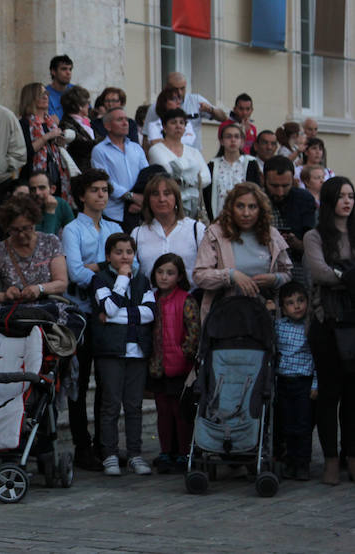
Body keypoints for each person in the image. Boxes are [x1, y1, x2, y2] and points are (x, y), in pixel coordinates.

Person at [61, 169, 126, 469]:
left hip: (111, 314)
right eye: (95, 190)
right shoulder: (73, 229)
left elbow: (129, 263)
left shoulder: (115, 226)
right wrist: (109, 270)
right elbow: (75, 272)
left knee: (107, 382)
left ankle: (105, 443)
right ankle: (81, 445)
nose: (101, 195)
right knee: (78, 379)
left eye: (105, 190)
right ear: (82, 195)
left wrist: (98, 266)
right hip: (82, 313)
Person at [302, 177, 355, 485]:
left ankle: (352, 455)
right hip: (327, 322)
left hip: (354, 321)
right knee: (329, 394)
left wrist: (341, 274)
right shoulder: (315, 235)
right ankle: (331, 459)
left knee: (353, 396)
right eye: (341, 196)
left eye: (351, 196)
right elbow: (320, 272)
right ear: (330, 200)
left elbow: (332, 273)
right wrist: (348, 275)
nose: (347, 201)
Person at [91, 233, 156, 476]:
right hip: (110, 351)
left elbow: (150, 313)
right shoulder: (99, 279)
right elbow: (107, 306)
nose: (125, 257)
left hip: (137, 351)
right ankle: (109, 454)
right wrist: (120, 280)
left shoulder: (143, 280)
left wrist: (116, 317)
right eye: (119, 252)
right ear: (108, 256)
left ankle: (135, 453)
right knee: (110, 404)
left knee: (134, 405)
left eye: (129, 252)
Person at [192, 182, 292, 320]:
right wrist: (231, 275)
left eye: (252, 207)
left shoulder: (272, 235)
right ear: (231, 208)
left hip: (262, 315)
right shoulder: (215, 234)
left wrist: (275, 279)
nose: (246, 213)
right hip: (225, 317)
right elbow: (199, 275)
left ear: (261, 209)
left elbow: (287, 273)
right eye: (240, 206)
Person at [0, 195, 68, 316]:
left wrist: (40, 289)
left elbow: (62, 283)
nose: (21, 235)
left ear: (34, 223)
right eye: (15, 230)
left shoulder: (50, 242)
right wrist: (4, 296)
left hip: (48, 311)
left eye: (26, 228)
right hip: (15, 314)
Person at [147, 253, 199, 474]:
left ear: (179, 276)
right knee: (163, 411)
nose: (164, 277)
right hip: (157, 366)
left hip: (181, 368)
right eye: (160, 272)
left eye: (170, 273)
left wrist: (184, 353)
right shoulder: (151, 299)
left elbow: (193, 332)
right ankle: (166, 451)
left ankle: (184, 452)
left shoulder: (186, 299)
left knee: (181, 412)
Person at [274, 280, 317, 481]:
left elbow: (317, 359)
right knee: (286, 424)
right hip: (283, 382)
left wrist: (315, 384)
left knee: (303, 424)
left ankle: (302, 463)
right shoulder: (278, 326)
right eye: (290, 303)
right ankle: (288, 461)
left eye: (300, 301)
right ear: (283, 308)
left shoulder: (311, 327)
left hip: (304, 383)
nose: (297, 306)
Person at [130, 175, 205, 287]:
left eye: (167, 193)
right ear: (148, 200)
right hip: (149, 301)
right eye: (155, 194)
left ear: (176, 198)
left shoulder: (196, 229)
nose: (161, 199)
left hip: (189, 300)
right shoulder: (137, 234)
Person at [146, 108, 210, 218]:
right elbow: (169, 173)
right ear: (164, 127)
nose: (178, 126)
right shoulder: (156, 150)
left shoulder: (193, 151)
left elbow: (206, 178)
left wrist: (182, 180)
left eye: (182, 122)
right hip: (168, 206)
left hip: (193, 207)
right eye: (173, 122)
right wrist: (193, 174)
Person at [141, 72, 226, 151]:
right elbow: (146, 139)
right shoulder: (155, 109)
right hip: (166, 158)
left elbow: (223, 118)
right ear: (167, 88)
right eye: (175, 89)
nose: (179, 93)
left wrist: (211, 110)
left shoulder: (196, 101)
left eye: (182, 88)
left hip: (193, 156)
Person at [91, 107, 149, 224]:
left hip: (138, 209)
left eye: (126, 119)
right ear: (108, 126)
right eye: (119, 120)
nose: (125, 123)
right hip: (114, 213)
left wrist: (141, 200)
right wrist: (131, 197)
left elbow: (146, 175)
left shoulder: (136, 148)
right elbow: (105, 181)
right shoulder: (100, 150)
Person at [263, 155, 315, 285]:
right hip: (264, 266)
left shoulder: (304, 199)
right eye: (274, 186)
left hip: (297, 266)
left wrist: (296, 243)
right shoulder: (255, 200)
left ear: (293, 180)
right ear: (264, 180)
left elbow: (312, 242)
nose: (280, 192)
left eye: (285, 186)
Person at [18, 82, 67, 196]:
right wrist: (47, 136)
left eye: (46, 93)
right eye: (40, 94)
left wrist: (61, 141)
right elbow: (26, 151)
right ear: (31, 98)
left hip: (55, 175)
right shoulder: (24, 123)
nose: (45, 97)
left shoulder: (51, 122)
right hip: (33, 176)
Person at [205, 122, 261, 220]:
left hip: (245, 218)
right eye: (228, 137)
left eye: (236, 137)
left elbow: (256, 190)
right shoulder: (213, 165)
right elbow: (208, 195)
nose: (233, 140)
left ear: (242, 141)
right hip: (220, 218)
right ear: (221, 141)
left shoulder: (250, 163)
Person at [59, 85, 101, 171]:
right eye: (88, 103)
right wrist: (109, 139)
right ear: (79, 106)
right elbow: (83, 145)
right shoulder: (66, 124)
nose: (89, 106)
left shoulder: (87, 122)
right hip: (80, 172)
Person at [28, 170, 74, 236]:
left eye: (42, 188)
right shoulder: (26, 209)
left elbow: (73, 234)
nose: (37, 193)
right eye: (33, 189)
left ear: (52, 189)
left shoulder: (61, 204)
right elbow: (45, 242)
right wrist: (50, 212)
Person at [45, 54, 73, 120]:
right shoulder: (45, 94)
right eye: (64, 69)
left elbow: (88, 113)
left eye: (70, 69)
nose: (68, 72)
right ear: (53, 72)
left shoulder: (76, 91)